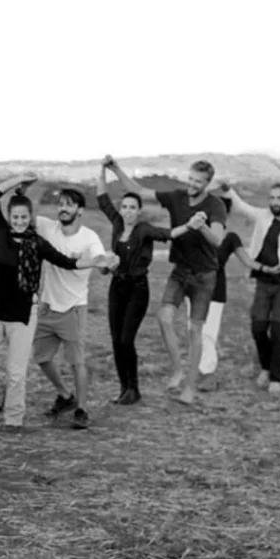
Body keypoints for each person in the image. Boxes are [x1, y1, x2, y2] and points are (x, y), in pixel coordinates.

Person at [0, 174, 103, 431]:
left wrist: (95, 262)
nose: (19, 221)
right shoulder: (0, 232)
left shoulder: (38, 244)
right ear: (9, 217)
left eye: (24, 217)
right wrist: (19, 179)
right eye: (15, 217)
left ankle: (13, 420)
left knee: (17, 371)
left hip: (23, 313)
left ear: (29, 218)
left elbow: (67, 262)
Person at [103, 156, 226, 405]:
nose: (192, 184)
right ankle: (178, 369)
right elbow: (137, 190)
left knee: (195, 331)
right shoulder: (176, 197)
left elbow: (218, 240)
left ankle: (189, 387)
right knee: (164, 317)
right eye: (190, 178)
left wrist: (200, 226)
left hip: (204, 276)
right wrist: (116, 169)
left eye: (198, 181)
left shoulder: (216, 206)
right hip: (180, 271)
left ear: (208, 183)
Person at [94, 164, 190, 404]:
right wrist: (103, 170)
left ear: (138, 211)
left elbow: (168, 234)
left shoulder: (144, 230)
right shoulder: (117, 224)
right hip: (116, 287)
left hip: (137, 289)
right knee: (116, 341)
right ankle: (124, 388)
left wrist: (190, 226)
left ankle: (134, 388)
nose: (127, 211)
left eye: (132, 208)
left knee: (127, 340)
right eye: (124, 207)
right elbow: (102, 198)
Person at [216, 183, 280, 395]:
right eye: (272, 198)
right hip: (263, 281)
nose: (275, 202)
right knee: (258, 328)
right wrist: (226, 189)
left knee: (277, 329)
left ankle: (276, 378)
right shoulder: (262, 216)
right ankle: (266, 367)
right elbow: (240, 206)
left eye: (279, 198)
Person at [33, 187, 108, 429]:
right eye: (61, 204)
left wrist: (107, 265)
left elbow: (100, 262)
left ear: (80, 210)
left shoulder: (89, 237)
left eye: (69, 204)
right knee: (42, 358)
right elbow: (24, 214)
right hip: (48, 305)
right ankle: (65, 395)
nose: (63, 208)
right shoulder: (47, 227)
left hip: (74, 307)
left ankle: (82, 409)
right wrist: (24, 189)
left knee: (76, 362)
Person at [188, 200, 261, 385]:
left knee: (208, 333)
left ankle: (207, 374)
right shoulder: (197, 232)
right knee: (194, 332)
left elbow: (248, 261)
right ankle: (198, 370)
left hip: (215, 292)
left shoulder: (231, 238)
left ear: (226, 215)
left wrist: (269, 267)